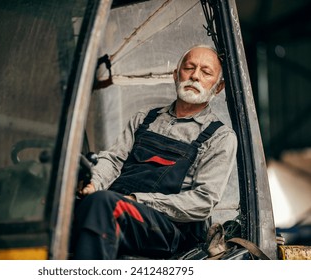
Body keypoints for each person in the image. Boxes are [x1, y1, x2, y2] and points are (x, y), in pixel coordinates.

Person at [70, 45, 238, 259]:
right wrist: (94, 183)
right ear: (176, 75)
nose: (195, 76)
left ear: (218, 86)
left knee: (104, 205)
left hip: (168, 229)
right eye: (189, 68)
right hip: (120, 206)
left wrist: (137, 200)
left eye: (205, 72)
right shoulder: (144, 119)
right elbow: (113, 160)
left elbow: (203, 201)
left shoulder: (220, 137)